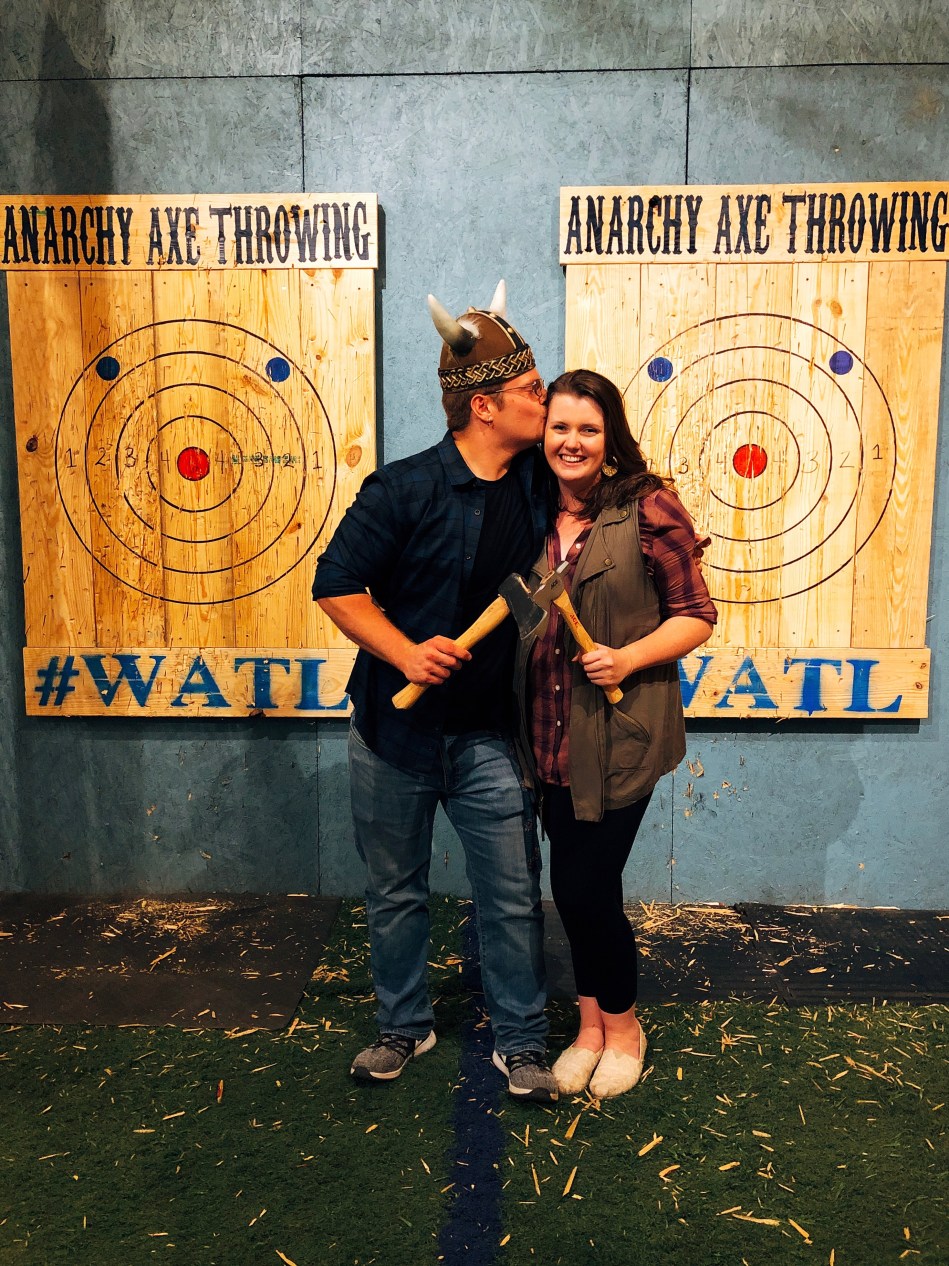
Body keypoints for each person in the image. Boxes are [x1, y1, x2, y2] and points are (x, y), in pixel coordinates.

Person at [313, 282, 558, 1103]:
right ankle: (402, 1026)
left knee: (512, 894)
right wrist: (405, 654)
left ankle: (521, 1042)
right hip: (394, 733)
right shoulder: (402, 489)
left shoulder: (538, 486)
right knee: (395, 891)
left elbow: (613, 501)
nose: (545, 401)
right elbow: (337, 586)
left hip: (490, 733)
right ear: (483, 406)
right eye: (531, 391)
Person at [516, 368, 717, 1100]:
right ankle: (590, 1025)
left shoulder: (646, 507)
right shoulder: (530, 506)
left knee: (586, 886)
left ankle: (623, 1027)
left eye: (587, 429)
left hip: (619, 734)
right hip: (544, 737)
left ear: (611, 438)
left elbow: (695, 613)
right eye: (559, 427)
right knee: (572, 892)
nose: (571, 442)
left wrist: (627, 656)